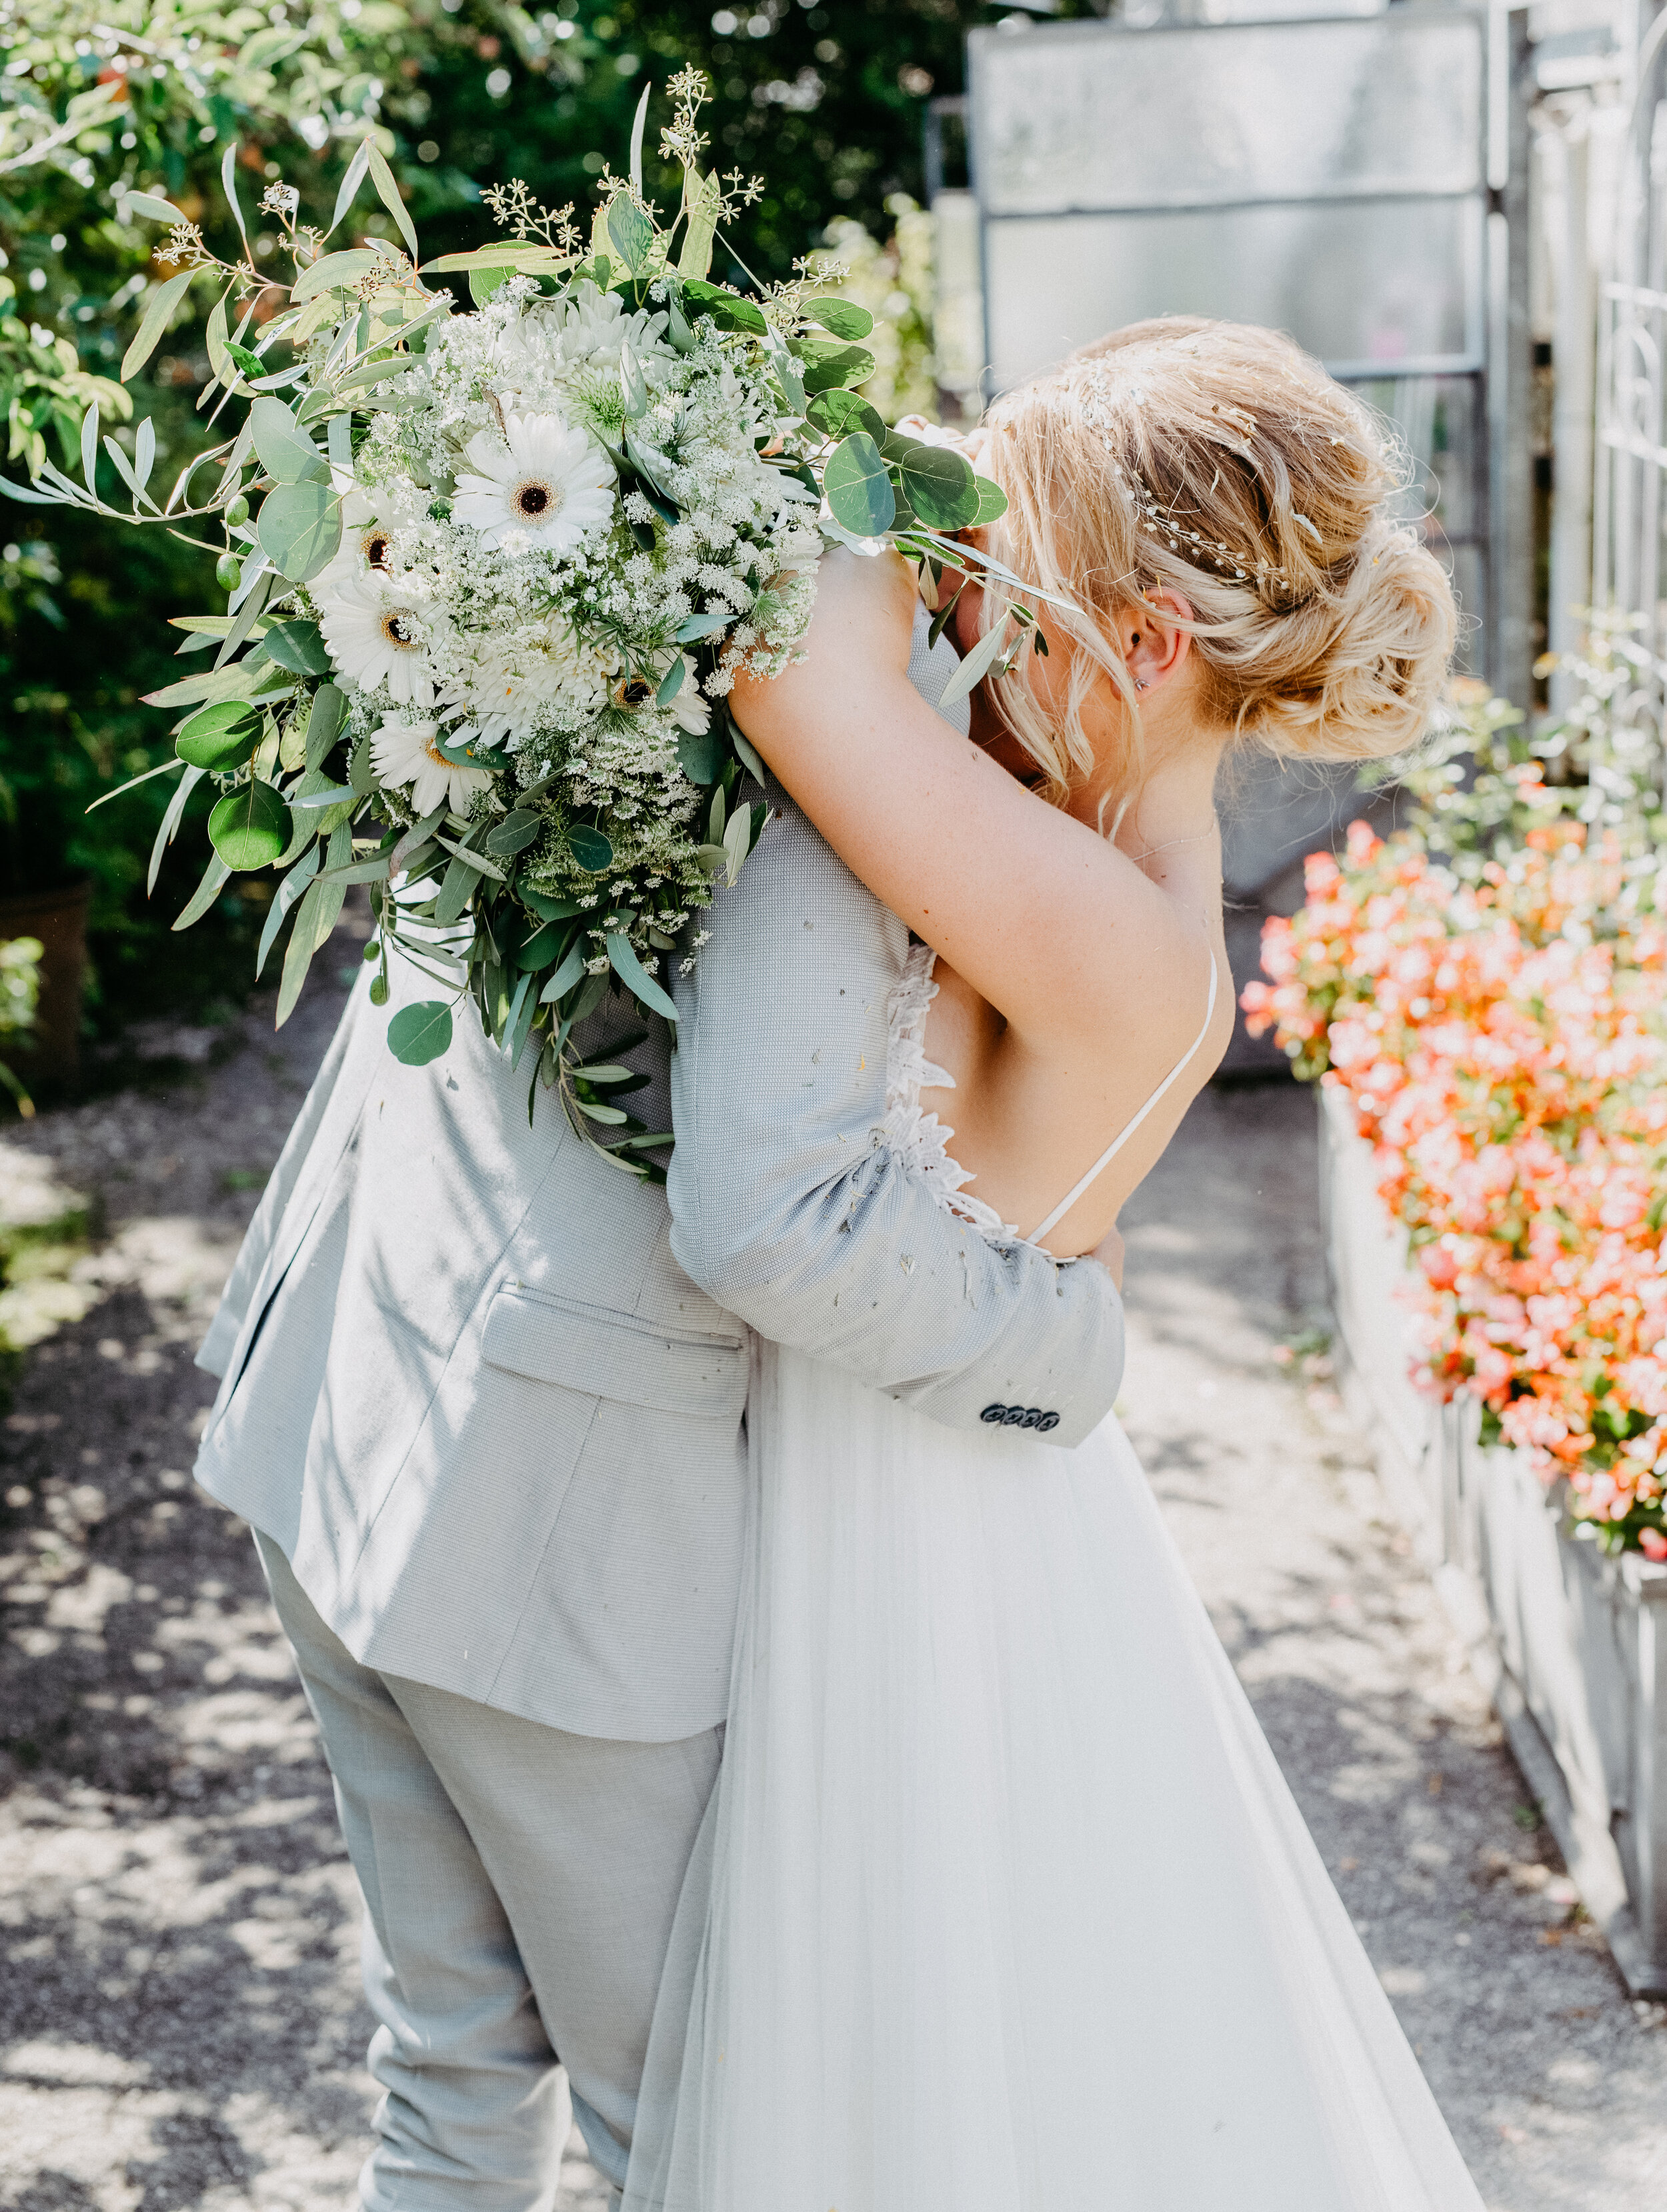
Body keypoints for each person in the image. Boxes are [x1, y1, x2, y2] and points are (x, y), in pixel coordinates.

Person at [621, 317, 1484, 2212]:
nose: (959, 614)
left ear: (1145, 646)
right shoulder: (1105, 863)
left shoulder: (1110, 927)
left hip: (906, 1555)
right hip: (942, 1490)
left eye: (999, 587)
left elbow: (789, 678)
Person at [188, 481, 1124, 2195]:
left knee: (453, 2073)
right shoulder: (860, 701)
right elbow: (767, 1212)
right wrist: (1065, 1353)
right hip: (556, 1531)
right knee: (680, 2128)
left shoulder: (650, 519)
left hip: (341, 1385)